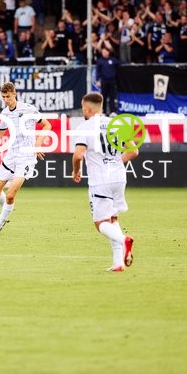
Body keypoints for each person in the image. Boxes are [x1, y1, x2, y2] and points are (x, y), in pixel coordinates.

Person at [0, 82, 52, 235]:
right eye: (3, 97)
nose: (6, 99)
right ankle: (7, 211)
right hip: (11, 156)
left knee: (10, 195)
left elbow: (47, 125)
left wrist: (38, 144)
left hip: (26, 157)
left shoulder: (28, 109)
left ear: (14, 94)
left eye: (8, 96)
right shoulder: (5, 113)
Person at [72, 92, 138, 272]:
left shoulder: (84, 127)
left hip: (100, 180)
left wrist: (76, 171)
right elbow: (134, 152)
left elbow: (78, 155)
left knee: (100, 223)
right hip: (119, 177)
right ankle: (118, 263)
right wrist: (116, 162)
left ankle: (123, 240)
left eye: (83, 108)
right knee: (113, 217)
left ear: (87, 108)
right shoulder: (115, 124)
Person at [95, 47, 120, 115]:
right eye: (103, 52)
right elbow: (98, 71)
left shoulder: (113, 60)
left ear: (108, 52)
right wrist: (98, 80)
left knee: (112, 96)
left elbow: (119, 64)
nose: (104, 53)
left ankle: (113, 111)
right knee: (104, 96)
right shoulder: (100, 61)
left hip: (112, 80)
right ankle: (103, 111)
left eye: (105, 52)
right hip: (104, 80)